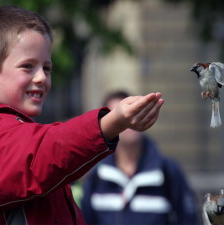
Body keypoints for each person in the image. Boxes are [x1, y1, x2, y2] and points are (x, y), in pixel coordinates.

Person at [0, 6, 164, 225]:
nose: (41, 77)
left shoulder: (11, 133)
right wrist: (113, 121)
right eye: (27, 66)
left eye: (46, 68)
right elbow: (47, 150)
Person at [81, 91, 199, 225]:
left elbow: (189, 219)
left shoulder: (168, 172)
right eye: (119, 117)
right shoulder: (97, 176)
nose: (129, 120)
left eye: (135, 110)